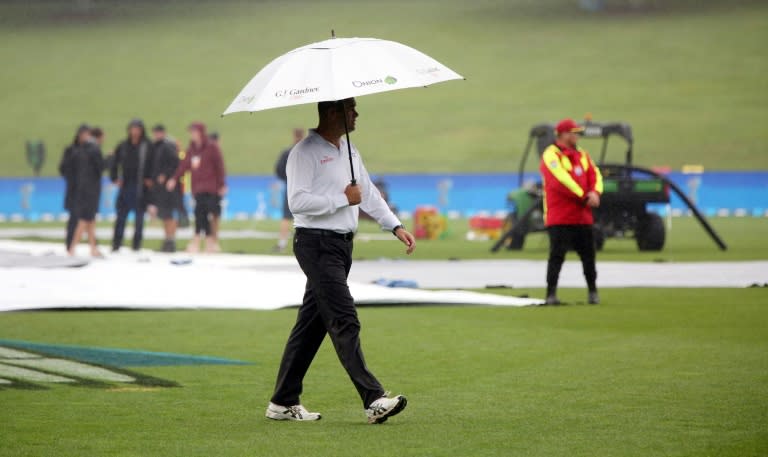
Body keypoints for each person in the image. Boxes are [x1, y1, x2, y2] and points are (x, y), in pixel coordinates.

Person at [266, 98, 416, 424]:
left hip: (341, 247)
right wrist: (341, 200)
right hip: (315, 244)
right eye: (351, 109)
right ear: (333, 113)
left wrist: (395, 225)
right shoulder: (303, 153)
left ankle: (282, 401)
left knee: (311, 327)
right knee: (344, 318)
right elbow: (298, 201)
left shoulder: (349, 149)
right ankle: (373, 398)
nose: (357, 114)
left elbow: (369, 192)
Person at [539, 118, 604, 305]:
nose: (577, 136)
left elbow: (595, 173)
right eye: (573, 132)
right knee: (557, 256)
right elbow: (560, 180)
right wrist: (585, 196)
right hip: (560, 216)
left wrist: (595, 192)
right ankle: (551, 294)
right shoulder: (551, 154)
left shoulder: (583, 154)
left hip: (582, 217)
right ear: (563, 134)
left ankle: (593, 292)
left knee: (589, 257)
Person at [166, 122, 227, 253]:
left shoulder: (211, 147)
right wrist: (174, 179)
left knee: (208, 214)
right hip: (198, 187)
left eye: (194, 131)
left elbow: (219, 166)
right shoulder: (192, 149)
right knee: (200, 213)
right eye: (191, 132)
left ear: (201, 132)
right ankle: (205, 241)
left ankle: (202, 241)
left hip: (211, 187)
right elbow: (184, 166)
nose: (192, 134)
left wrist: (222, 184)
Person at [60, 124, 105, 257]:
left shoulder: (82, 150)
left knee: (89, 219)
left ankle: (92, 247)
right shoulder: (85, 150)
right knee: (82, 219)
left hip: (82, 188)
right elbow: (99, 168)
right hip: (82, 189)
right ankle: (72, 247)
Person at [110, 118, 153, 252]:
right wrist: (115, 178)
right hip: (126, 185)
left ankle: (136, 244)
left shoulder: (147, 146)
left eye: (137, 129)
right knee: (121, 215)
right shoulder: (123, 145)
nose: (135, 132)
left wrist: (150, 179)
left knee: (139, 217)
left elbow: (153, 163)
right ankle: (117, 243)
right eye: (132, 129)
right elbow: (114, 162)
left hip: (140, 186)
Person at [149, 124, 181, 252]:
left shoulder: (167, 146)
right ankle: (167, 240)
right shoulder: (155, 147)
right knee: (164, 215)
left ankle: (171, 240)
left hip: (169, 187)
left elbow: (175, 164)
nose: (157, 135)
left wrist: (165, 175)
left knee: (169, 214)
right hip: (160, 187)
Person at [273, 128, 305, 253]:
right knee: (305, 216)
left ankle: (282, 244)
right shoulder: (308, 152)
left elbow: (278, 169)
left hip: (291, 187)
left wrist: (287, 179)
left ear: (294, 136)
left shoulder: (288, 152)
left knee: (286, 216)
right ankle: (303, 245)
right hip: (305, 188)